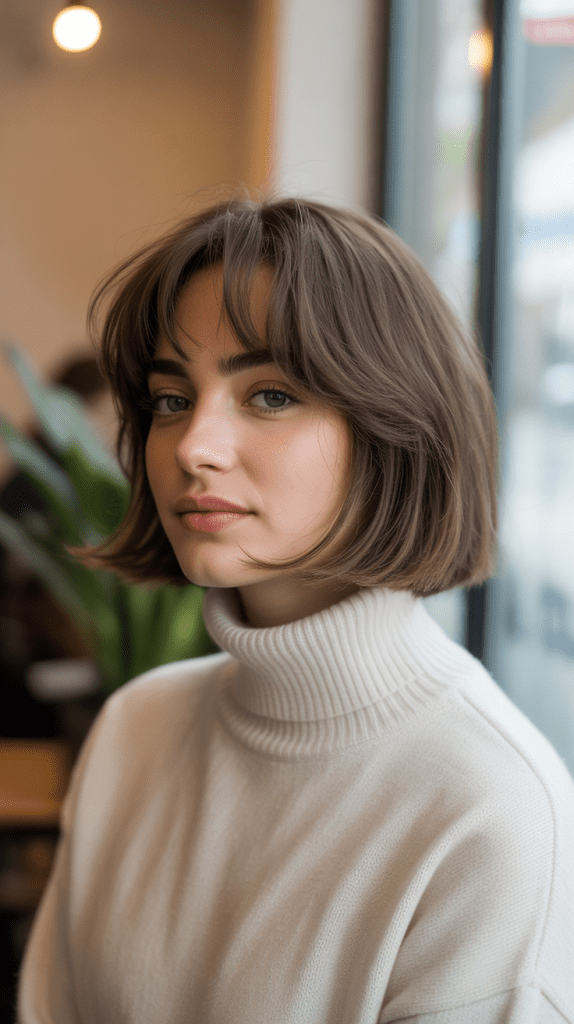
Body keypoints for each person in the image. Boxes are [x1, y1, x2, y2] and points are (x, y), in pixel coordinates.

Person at [16, 195, 574, 1023]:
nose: (194, 447)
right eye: (172, 399)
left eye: (270, 395)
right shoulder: (135, 730)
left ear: (395, 425)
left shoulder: (490, 811)